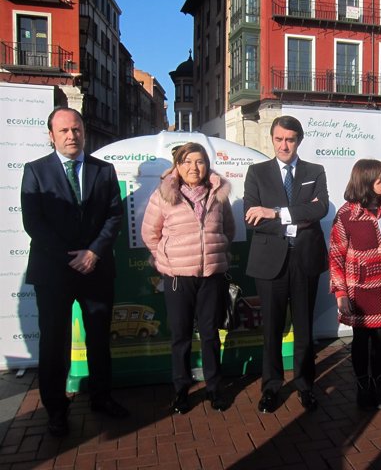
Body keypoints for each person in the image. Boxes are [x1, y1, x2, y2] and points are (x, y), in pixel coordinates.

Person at [21, 107, 128, 437]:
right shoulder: (35, 171)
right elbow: (34, 223)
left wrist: (93, 252)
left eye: (77, 129)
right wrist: (71, 257)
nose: (72, 135)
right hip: (54, 272)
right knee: (54, 343)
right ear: (51, 135)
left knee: (99, 339)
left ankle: (101, 397)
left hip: (95, 270)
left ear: (84, 131)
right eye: (64, 131)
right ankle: (55, 409)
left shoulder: (104, 170)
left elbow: (113, 216)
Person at [244, 115, 329, 413]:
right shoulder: (257, 173)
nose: (284, 145)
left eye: (290, 139)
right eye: (279, 139)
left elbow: (320, 209)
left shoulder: (314, 171)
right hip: (270, 263)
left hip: (305, 259)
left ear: (299, 141)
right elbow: (251, 218)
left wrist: (276, 213)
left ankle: (306, 385)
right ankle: (271, 387)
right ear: (272, 139)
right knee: (272, 330)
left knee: (305, 329)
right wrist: (295, 216)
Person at [142, 142, 235, 414]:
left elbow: (228, 228)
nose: (194, 168)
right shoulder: (164, 195)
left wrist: (215, 253)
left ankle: (215, 389)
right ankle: (181, 390)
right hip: (177, 278)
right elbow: (150, 234)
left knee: (209, 334)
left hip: (211, 277)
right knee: (180, 336)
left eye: (199, 162)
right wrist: (166, 261)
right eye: (187, 162)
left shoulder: (217, 193)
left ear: (207, 165)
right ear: (178, 167)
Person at [329, 159, 381, 409]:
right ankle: (362, 387)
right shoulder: (346, 215)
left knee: (380, 340)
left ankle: (378, 386)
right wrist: (341, 293)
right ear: (365, 182)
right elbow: (335, 256)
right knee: (360, 339)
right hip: (359, 288)